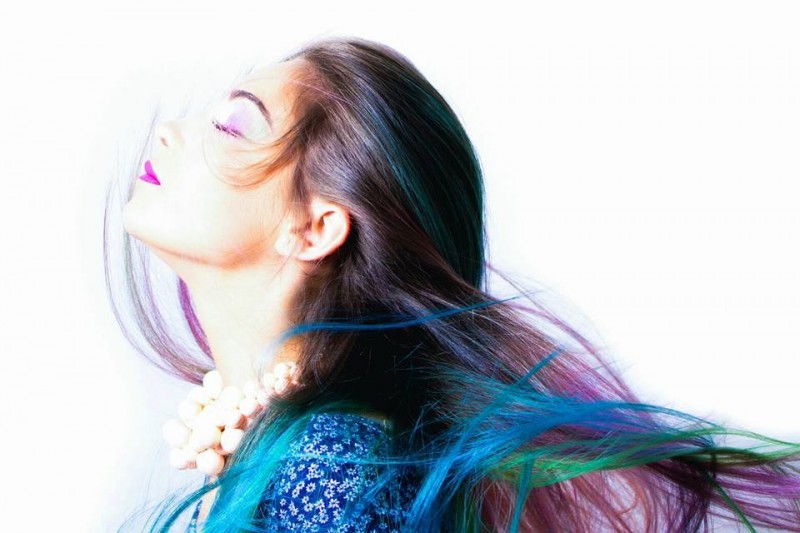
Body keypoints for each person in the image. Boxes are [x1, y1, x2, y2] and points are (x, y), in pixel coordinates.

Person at [108, 35, 800, 532]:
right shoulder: (301, 452)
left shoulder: (330, 467)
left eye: (231, 126)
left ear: (315, 227)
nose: (170, 131)